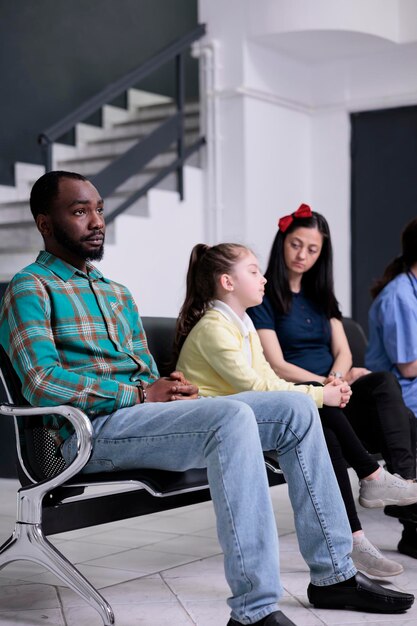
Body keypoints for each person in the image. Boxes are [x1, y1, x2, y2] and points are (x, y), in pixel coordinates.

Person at [0, 173, 413, 626]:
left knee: (296, 408)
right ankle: (254, 612)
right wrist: (138, 392)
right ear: (45, 223)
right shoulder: (29, 287)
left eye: (98, 209)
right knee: (231, 417)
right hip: (87, 432)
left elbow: (145, 372)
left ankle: (334, 575)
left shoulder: (117, 293)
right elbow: (41, 381)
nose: (96, 221)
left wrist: (168, 385)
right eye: (80, 212)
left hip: (143, 417)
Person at [175, 241, 415, 578]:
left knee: (323, 422)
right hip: (223, 425)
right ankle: (372, 481)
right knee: (316, 410)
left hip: (251, 414)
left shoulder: (241, 326)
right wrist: (320, 396)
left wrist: (319, 394)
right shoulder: (215, 329)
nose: (264, 280)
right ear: (228, 283)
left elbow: (266, 382)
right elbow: (257, 387)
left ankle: (357, 532)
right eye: (254, 272)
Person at [247, 205, 417, 564]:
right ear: (282, 244)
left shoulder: (321, 297)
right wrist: (323, 385)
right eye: (296, 245)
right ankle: (364, 529)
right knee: (330, 425)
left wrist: (339, 377)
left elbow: (342, 350)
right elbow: (275, 363)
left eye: (312, 250)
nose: (302, 256)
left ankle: (401, 484)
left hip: (336, 390)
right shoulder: (262, 297)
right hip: (303, 395)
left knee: (384, 383)